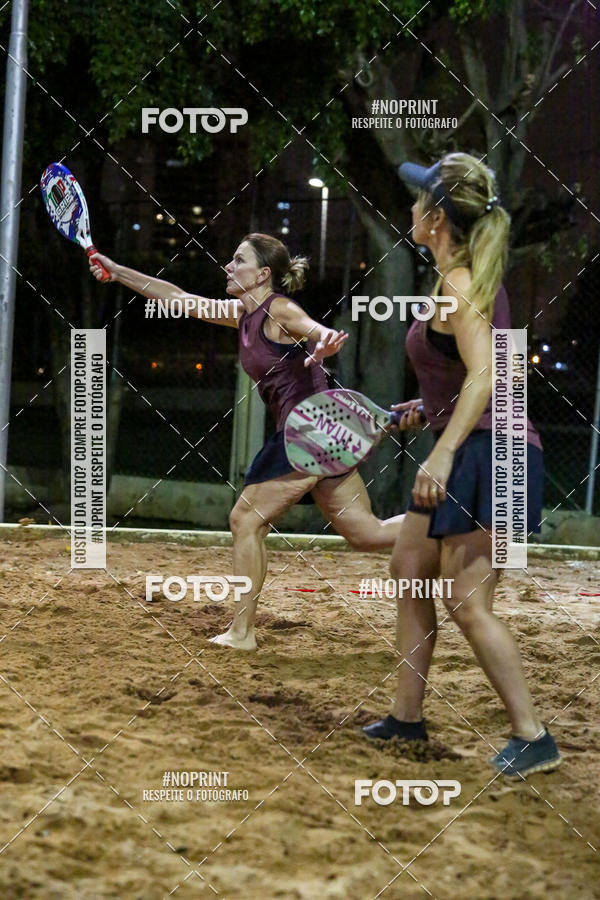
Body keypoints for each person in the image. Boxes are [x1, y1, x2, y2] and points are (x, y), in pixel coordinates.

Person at [89, 233, 407, 650]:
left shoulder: (278, 309)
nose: (228, 266)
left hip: (309, 432)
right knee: (366, 533)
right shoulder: (243, 315)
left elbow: (310, 327)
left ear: (262, 274)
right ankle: (460, 525)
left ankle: (242, 633)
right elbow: (176, 295)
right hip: (321, 432)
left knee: (245, 520)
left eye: (238, 260)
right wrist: (116, 269)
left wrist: (324, 337)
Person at [363, 153, 562, 778]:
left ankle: (534, 737)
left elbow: (488, 373)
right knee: (409, 567)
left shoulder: (459, 282)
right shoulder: (457, 277)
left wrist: (444, 452)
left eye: (420, 199)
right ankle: (406, 718)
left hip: (492, 452)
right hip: (472, 440)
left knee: (467, 602)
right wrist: (427, 412)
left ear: (438, 217)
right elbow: (460, 375)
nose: (411, 207)